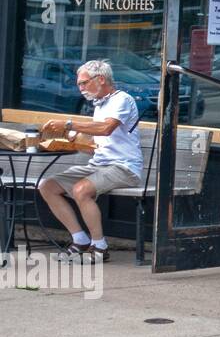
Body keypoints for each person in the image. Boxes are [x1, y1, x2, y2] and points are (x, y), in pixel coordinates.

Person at [37, 59, 143, 261]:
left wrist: (68, 124)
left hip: (124, 167)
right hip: (100, 165)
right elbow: (95, 142)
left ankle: (100, 247)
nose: (81, 88)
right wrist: (68, 140)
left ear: (101, 79)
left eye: (84, 83)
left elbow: (106, 128)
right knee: (47, 186)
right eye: (79, 84)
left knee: (81, 190)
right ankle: (80, 239)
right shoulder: (100, 104)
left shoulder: (122, 99)